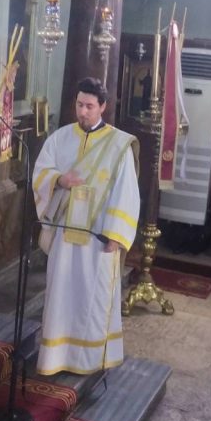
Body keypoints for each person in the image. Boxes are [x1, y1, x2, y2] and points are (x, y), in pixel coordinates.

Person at [32, 77, 141, 375]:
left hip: (98, 237)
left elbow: (126, 193)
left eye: (89, 106)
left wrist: (116, 237)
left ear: (102, 106)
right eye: (79, 105)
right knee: (61, 295)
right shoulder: (60, 138)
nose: (83, 111)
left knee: (93, 299)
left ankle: (89, 360)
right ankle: (55, 358)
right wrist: (59, 180)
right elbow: (40, 172)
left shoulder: (118, 145)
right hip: (65, 234)